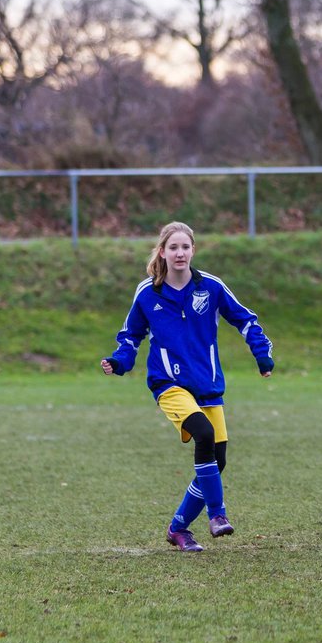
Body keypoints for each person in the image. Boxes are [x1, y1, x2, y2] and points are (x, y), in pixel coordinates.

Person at [100, 221, 274, 552]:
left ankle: (178, 528)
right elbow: (130, 336)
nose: (180, 253)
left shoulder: (211, 287)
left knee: (217, 460)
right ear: (162, 252)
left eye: (185, 247)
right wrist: (120, 362)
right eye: (173, 247)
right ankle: (218, 515)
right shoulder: (148, 293)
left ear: (193, 250)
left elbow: (246, 319)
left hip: (207, 384)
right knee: (204, 435)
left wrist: (262, 354)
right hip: (169, 384)